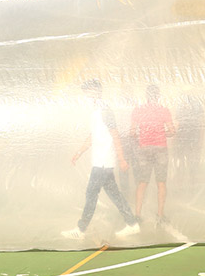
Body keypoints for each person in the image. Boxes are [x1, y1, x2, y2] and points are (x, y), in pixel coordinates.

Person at [63, 80, 140, 240]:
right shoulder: (95, 112)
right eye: (85, 93)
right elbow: (93, 136)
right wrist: (79, 153)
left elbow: (115, 134)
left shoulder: (105, 110)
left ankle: (80, 229)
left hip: (104, 162)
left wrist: (122, 159)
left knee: (91, 193)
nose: (86, 96)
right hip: (101, 161)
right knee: (115, 195)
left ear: (97, 92)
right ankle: (132, 224)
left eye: (88, 93)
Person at [130, 84, 176, 224]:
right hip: (160, 148)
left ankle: (137, 214)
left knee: (142, 182)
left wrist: (143, 137)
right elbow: (172, 131)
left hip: (144, 149)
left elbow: (132, 133)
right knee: (161, 183)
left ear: (146, 96)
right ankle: (160, 215)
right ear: (158, 96)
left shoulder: (138, 110)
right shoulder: (164, 110)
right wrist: (162, 133)